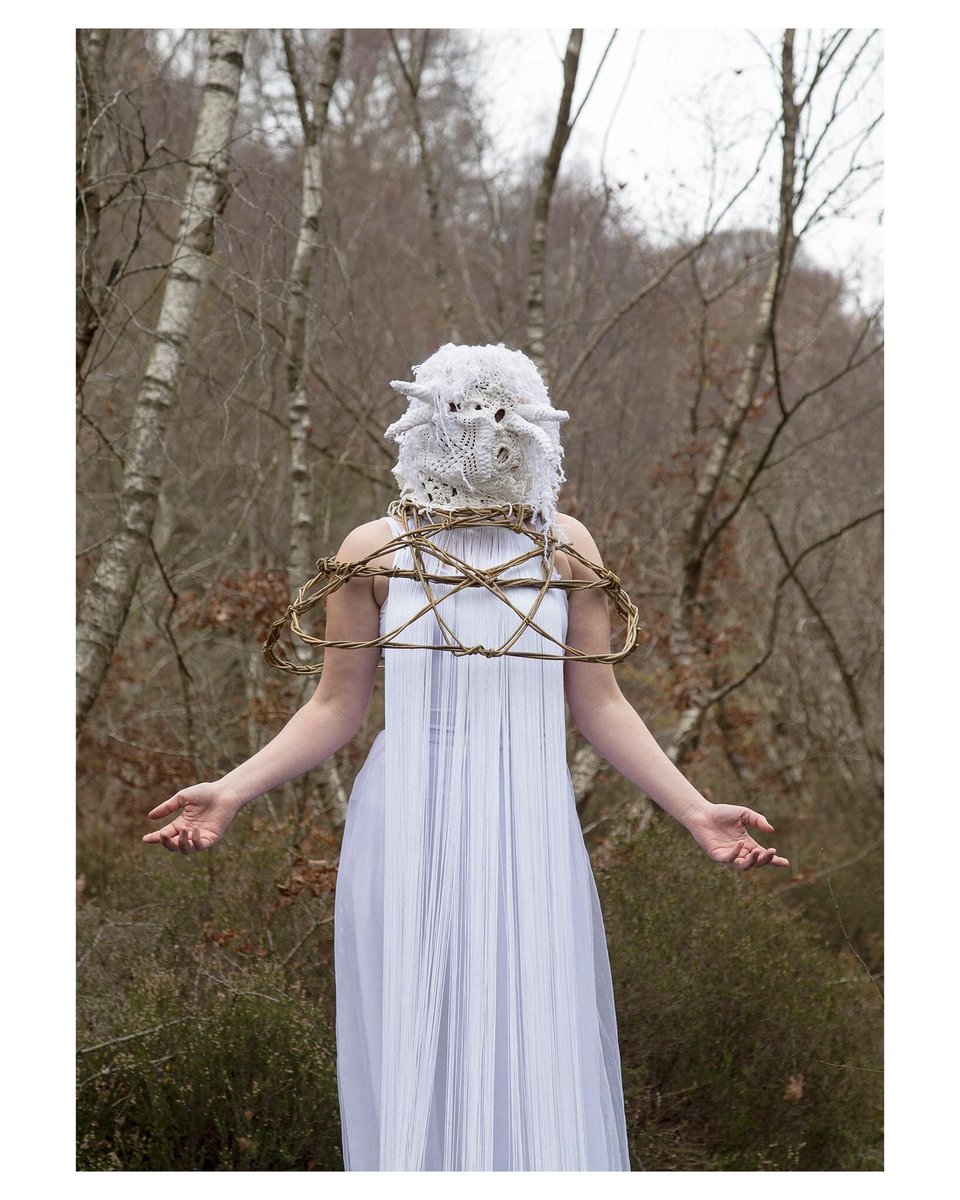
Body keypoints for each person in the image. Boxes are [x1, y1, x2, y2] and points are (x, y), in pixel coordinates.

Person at [143, 343, 788, 1171]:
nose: (490, 434)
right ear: (430, 424)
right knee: (421, 1035)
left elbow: (601, 705)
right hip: (410, 818)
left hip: (528, 825)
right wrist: (231, 791)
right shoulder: (374, 549)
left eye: (505, 417)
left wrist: (695, 809)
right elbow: (334, 708)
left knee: (530, 1031)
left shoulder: (566, 547)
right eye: (468, 415)